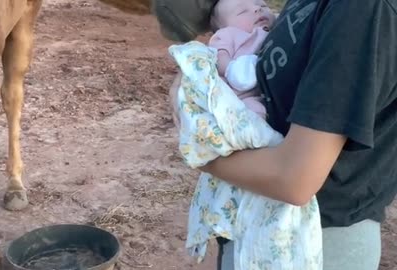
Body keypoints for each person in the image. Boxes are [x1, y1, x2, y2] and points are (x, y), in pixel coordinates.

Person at [153, 0, 397, 269]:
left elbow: (294, 180)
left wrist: (199, 148)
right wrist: (198, 70)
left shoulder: (363, 10)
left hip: (314, 244)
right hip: (257, 224)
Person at [208, 0, 276, 119]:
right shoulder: (228, 34)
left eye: (263, 6)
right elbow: (217, 57)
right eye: (243, 11)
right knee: (253, 112)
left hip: (269, 94)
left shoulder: (277, 26)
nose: (257, 9)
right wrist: (230, 69)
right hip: (240, 96)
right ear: (223, 26)